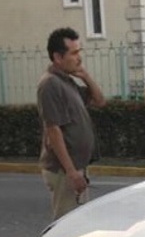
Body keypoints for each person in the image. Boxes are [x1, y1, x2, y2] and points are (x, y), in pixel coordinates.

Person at [37, 27, 105, 220]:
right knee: (67, 226)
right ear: (58, 57)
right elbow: (53, 130)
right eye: (74, 53)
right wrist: (71, 172)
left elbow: (99, 101)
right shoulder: (50, 84)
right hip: (64, 171)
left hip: (76, 167)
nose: (79, 58)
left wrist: (85, 76)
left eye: (79, 52)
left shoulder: (67, 82)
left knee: (80, 223)